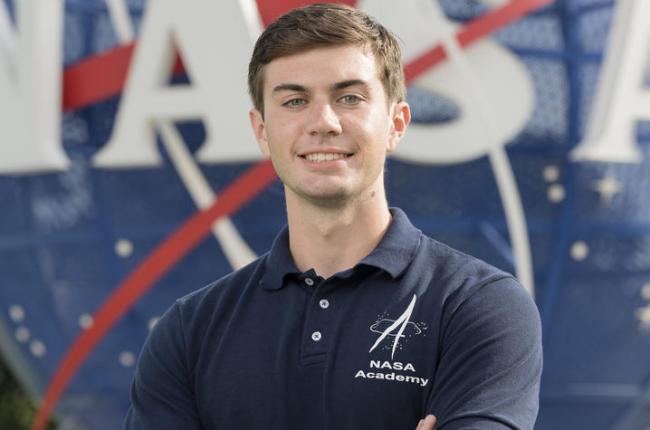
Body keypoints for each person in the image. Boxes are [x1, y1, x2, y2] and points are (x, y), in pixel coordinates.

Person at [124, 3, 542, 429]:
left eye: (349, 98)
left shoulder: (477, 306)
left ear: (396, 123)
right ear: (262, 130)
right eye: (294, 101)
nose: (323, 122)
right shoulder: (190, 331)